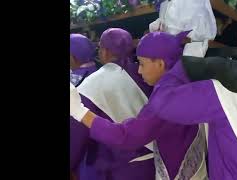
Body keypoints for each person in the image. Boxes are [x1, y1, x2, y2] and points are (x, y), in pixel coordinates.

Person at [70, 31, 208, 179]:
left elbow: (127, 136)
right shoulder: (184, 80)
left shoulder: (168, 98)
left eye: (142, 63)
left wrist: (80, 111)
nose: (139, 69)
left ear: (161, 63)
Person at [70, 28, 154, 180]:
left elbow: (78, 132)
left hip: (117, 167)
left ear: (105, 52)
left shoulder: (93, 84)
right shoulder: (147, 74)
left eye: (100, 48)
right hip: (155, 161)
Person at [149, 0, 217, 57]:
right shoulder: (166, 4)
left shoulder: (188, 2)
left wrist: (167, 37)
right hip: (178, 50)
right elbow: (169, 22)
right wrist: (159, 24)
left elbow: (201, 35)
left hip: (194, 53)